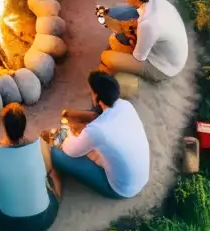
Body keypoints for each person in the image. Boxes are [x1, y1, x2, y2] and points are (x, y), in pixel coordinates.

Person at [49, 70, 150, 199]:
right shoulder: (126, 105)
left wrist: (66, 129)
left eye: (92, 92)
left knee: (56, 155)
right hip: (140, 176)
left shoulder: (98, 130)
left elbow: (71, 150)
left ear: (96, 96)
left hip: (122, 188)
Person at [0, 103, 62, 231]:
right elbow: (48, 170)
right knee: (54, 174)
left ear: (4, 127)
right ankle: (57, 195)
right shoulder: (39, 144)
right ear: (24, 126)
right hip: (44, 220)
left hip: (7, 224)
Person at [100, 0, 189, 81]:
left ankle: (123, 83)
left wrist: (128, 38)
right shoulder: (156, 1)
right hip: (167, 50)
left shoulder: (148, 25)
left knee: (107, 56)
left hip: (163, 67)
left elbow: (138, 58)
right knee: (116, 25)